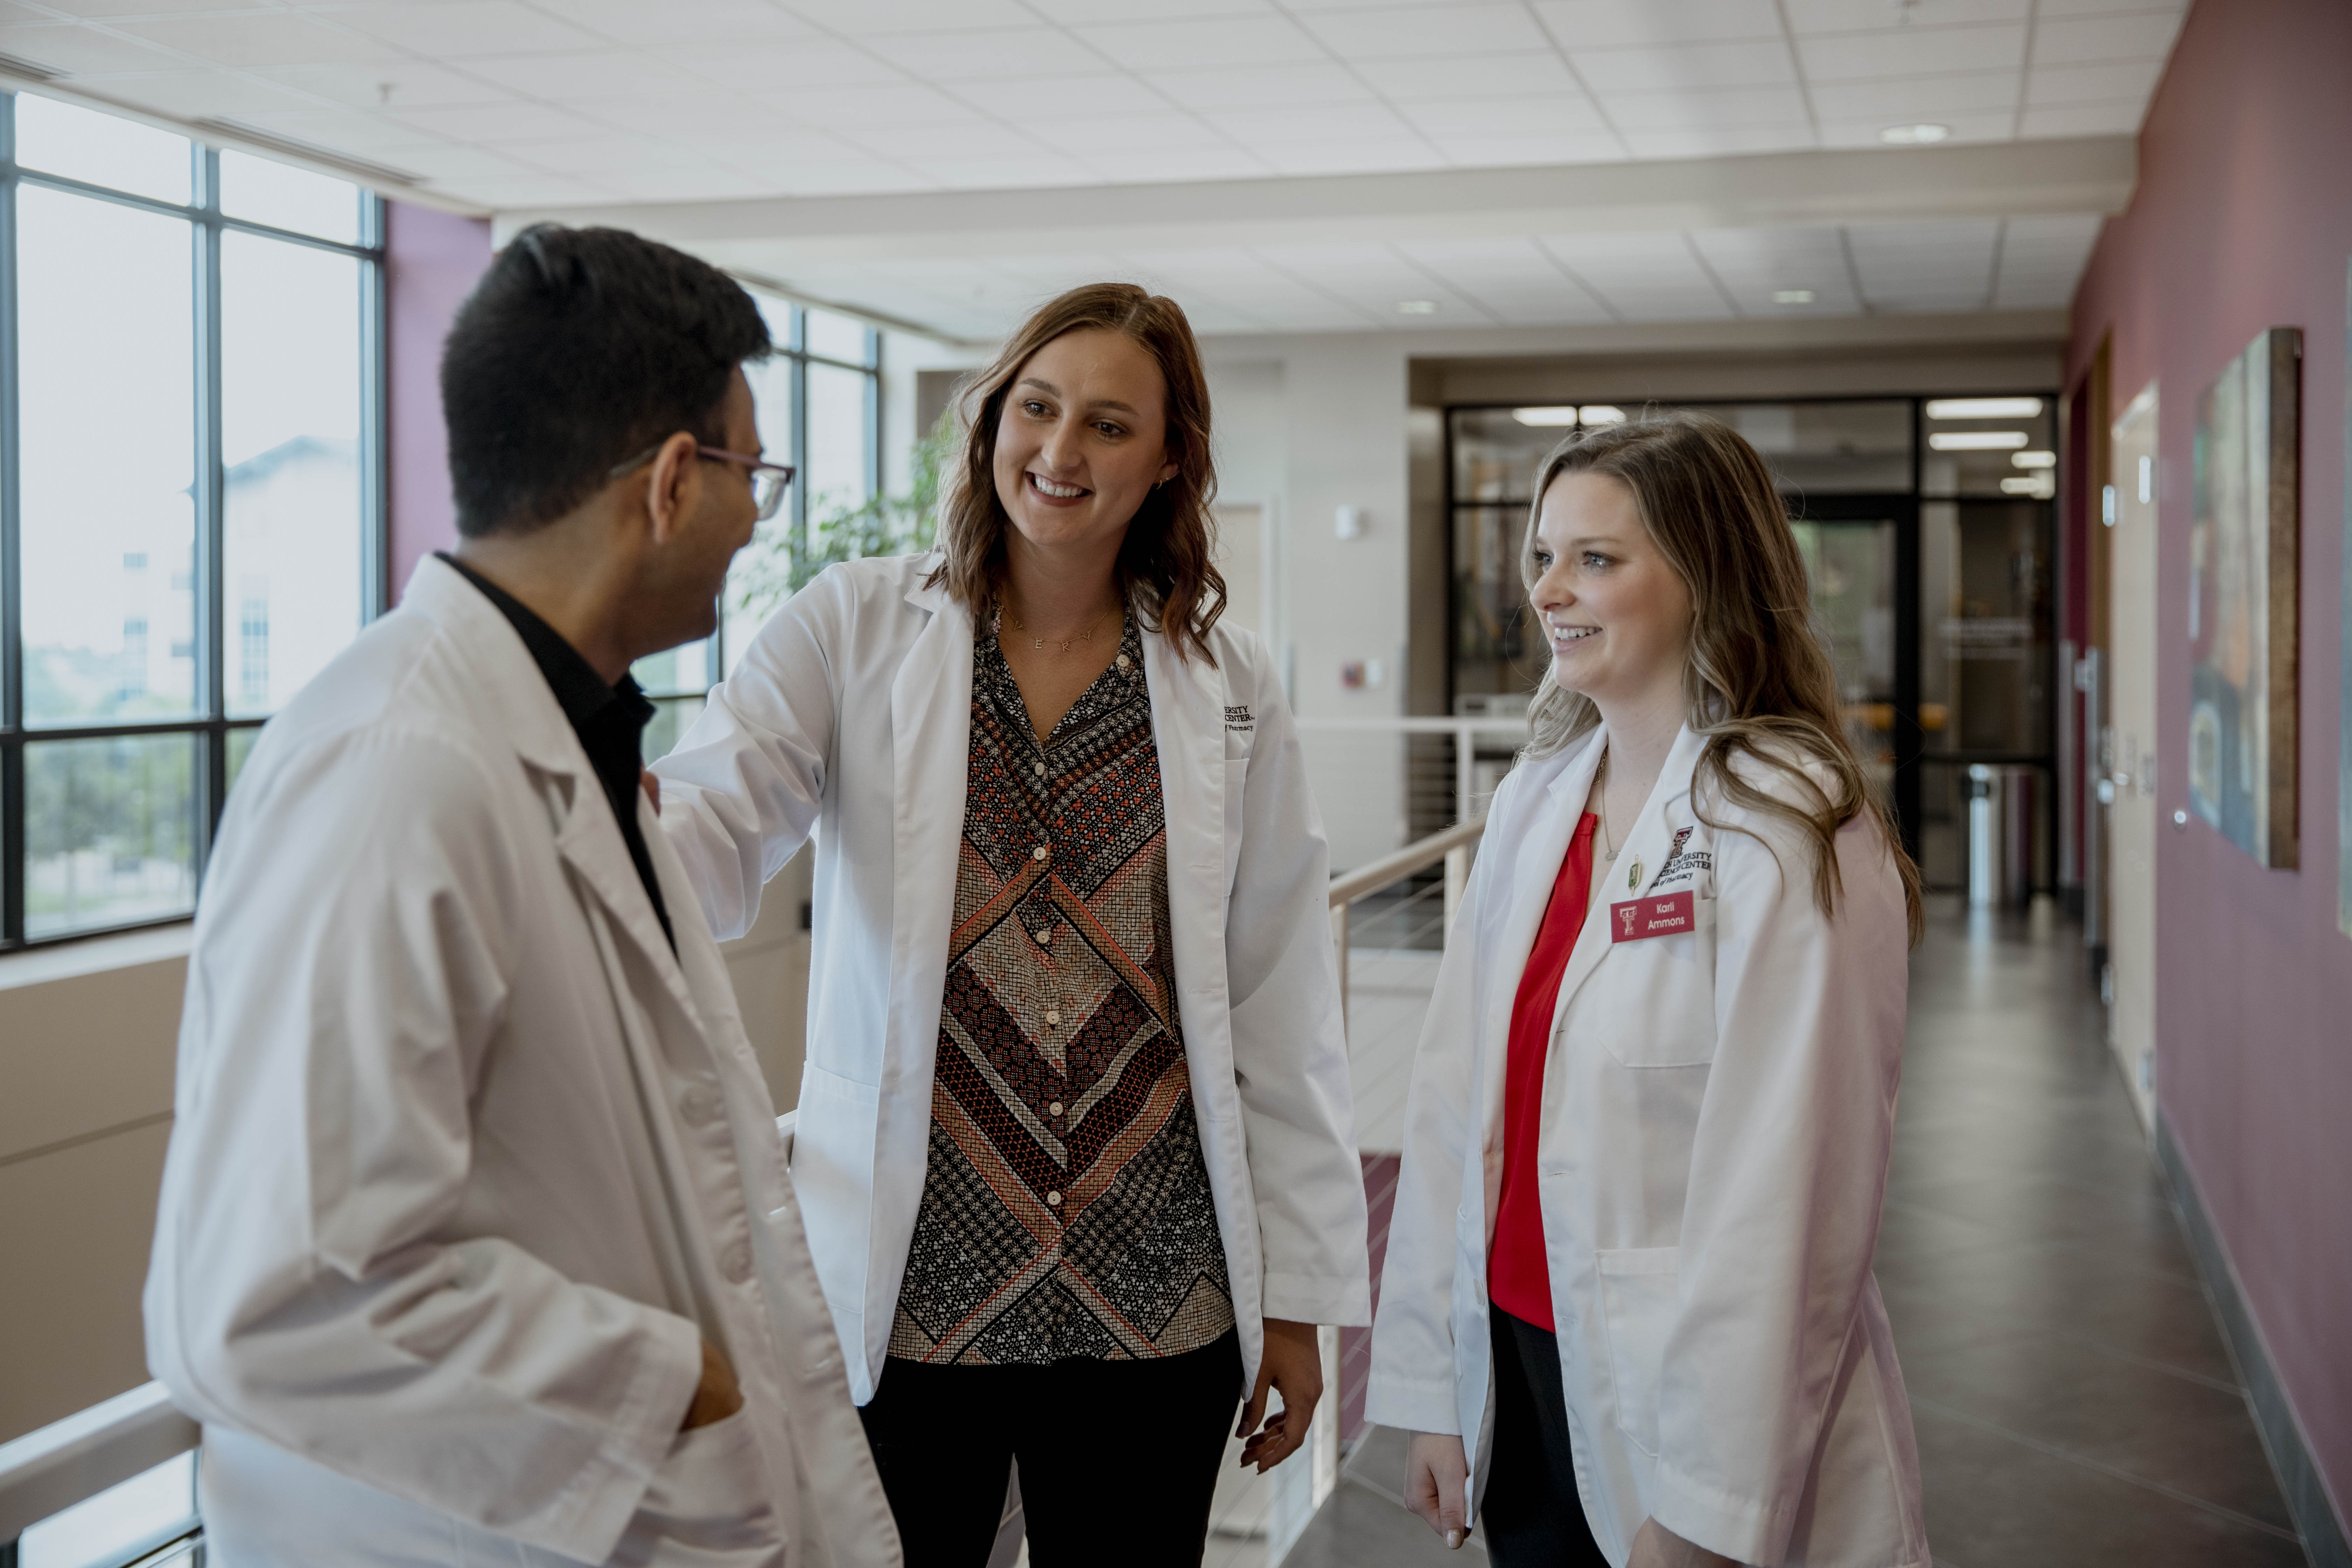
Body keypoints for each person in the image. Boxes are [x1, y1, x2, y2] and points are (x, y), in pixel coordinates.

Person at [143, 224, 898, 1568]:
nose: (752, 522)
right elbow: (284, 1295)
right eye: (752, 476)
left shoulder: (560, 739)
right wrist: (677, 1387)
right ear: (673, 483)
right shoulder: (397, 769)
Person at [651, 282, 1370, 1567]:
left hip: (1157, 1290)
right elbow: (714, 819)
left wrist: (1305, 1306)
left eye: (1107, 425)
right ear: (990, 420)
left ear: (1167, 462)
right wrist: (585, 818)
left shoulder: (1229, 680)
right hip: (913, 1291)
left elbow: (1278, 997)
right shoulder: (858, 623)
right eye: (1036, 408)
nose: (1060, 451)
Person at [1366, 413, 1930, 1568]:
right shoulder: (1537, 798)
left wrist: (1712, 1504)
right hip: (1523, 1358)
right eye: (1542, 556)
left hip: (1692, 1396)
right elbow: (1452, 1105)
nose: (1549, 591)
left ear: (1707, 577)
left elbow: (1794, 1189)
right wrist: (1432, 1382)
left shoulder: (1786, 825)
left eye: (1597, 559)